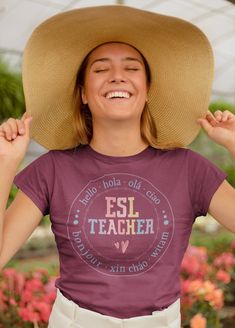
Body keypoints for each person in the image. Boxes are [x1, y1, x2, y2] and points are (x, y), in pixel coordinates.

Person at [0, 5, 235, 328]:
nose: (117, 76)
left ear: (148, 89)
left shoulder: (189, 169)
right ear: (83, 93)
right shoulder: (52, 169)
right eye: (100, 69)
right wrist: (5, 163)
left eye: (131, 67)